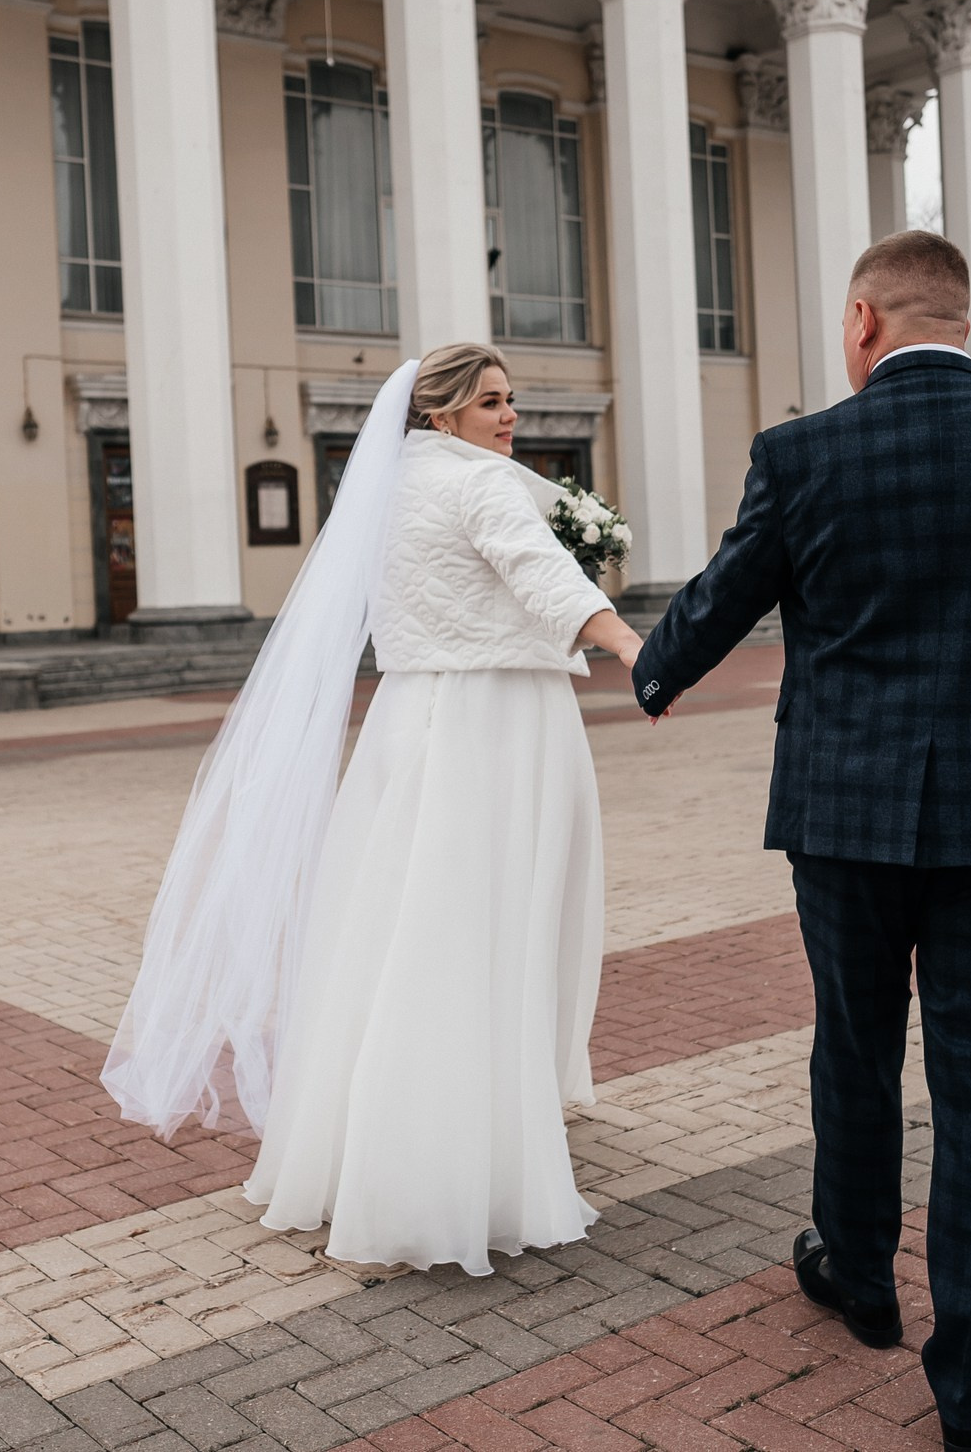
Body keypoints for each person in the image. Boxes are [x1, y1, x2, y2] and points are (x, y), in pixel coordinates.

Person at [630, 232, 971, 1451]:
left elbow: (724, 593)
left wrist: (649, 668)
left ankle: (860, 1271)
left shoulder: (804, 452)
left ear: (864, 319)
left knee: (856, 1043)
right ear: (962, 322)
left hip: (845, 814)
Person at [104, 342, 643, 1276]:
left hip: (409, 723)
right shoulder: (482, 486)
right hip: (495, 725)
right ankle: (459, 1153)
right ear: (441, 415)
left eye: (512, 400)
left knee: (403, 926)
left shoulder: (388, 491)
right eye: (490, 403)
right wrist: (636, 645)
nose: (509, 418)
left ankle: (374, 1135)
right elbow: (540, 576)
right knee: (485, 924)